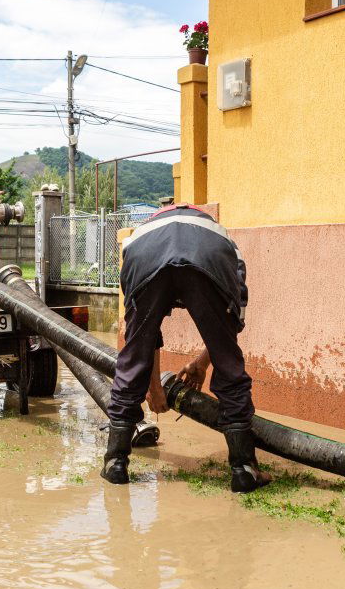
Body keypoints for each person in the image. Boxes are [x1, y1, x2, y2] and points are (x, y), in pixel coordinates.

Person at [103, 203, 270, 493]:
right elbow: (227, 331)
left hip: (145, 258)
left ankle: (115, 463)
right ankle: (244, 469)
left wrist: (157, 384)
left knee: (131, 361)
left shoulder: (140, 237)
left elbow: (143, 338)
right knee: (230, 365)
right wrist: (210, 360)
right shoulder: (221, 239)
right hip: (208, 258)